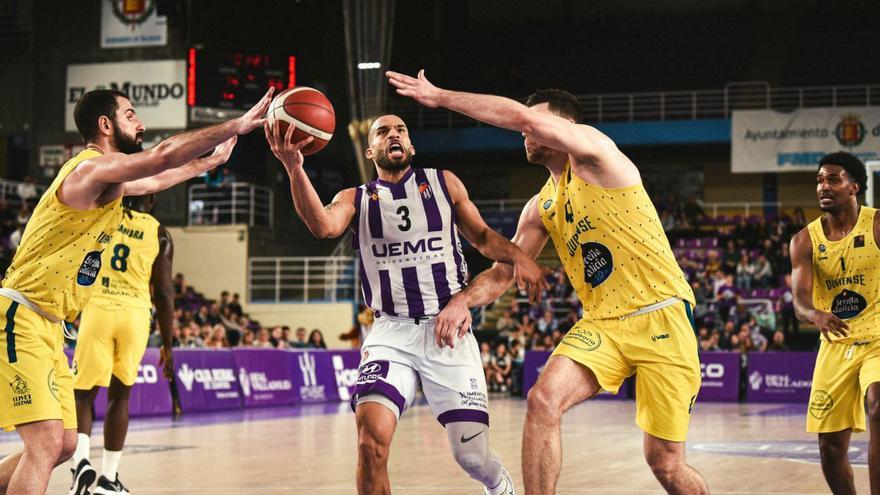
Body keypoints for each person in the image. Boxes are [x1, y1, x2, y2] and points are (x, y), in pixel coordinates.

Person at [388, 70, 708, 493]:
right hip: (603, 324)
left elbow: (524, 118)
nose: (525, 133)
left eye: (534, 125)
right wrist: (463, 300)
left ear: (565, 128)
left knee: (665, 463)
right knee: (542, 400)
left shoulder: (597, 153)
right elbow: (503, 272)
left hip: (660, 314)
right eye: (526, 127)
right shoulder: (541, 207)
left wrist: (441, 96)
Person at [0, 87, 270, 495]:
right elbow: (161, 156)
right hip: (21, 315)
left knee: (66, 444)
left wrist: (206, 164)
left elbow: (158, 175)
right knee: (45, 443)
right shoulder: (88, 170)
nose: (140, 124)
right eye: (131, 115)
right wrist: (235, 125)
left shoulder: (109, 182)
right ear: (105, 125)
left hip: (51, 325)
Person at [265, 113, 548, 494]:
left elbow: (481, 237)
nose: (393, 135)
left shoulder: (444, 183)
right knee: (370, 443)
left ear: (410, 145)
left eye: (401, 130)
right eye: (383, 132)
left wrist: (520, 256)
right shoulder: (355, 198)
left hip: (447, 330)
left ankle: (497, 483)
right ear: (372, 150)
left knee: (473, 457)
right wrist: (294, 167)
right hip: (390, 333)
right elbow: (322, 226)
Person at [69, 194, 174, 494]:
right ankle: (109, 480)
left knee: (82, 397)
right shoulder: (159, 232)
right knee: (120, 398)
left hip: (99, 309)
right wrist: (167, 345)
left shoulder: (103, 217)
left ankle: (81, 464)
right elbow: (165, 295)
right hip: (135, 315)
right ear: (152, 199)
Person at [790, 151, 880, 494]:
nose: (823, 186)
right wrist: (815, 314)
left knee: (879, 406)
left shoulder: (877, 225)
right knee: (829, 448)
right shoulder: (804, 240)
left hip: (878, 338)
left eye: (833, 179)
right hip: (836, 342)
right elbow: (799, 302)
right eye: (820, 180)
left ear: (854, 186)